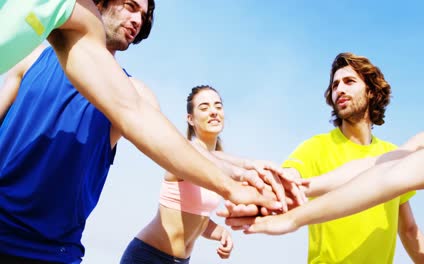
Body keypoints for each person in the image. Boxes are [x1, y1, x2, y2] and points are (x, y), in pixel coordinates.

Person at [0, 1, 283, 263]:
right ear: (101, 3)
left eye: (143, 16)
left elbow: (177, 146)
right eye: (130, 6)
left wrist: (237, 180)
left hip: (51, 252)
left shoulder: (137, 94)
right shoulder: (32, 57)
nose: (136, 20)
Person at [224, 28, 424, 262]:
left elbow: (408, 227)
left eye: (349, 81)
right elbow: (374, 170)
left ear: (371, 91)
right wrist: (270, 193)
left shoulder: (393, 151)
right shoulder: (317, 147)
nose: (339, 89)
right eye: (334, 85)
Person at [120, 86, 236, 263]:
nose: (213, 112)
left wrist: (221, 232)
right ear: (190, 119)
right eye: (204, 108)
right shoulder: (183, 153)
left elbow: (196, 216)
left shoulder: (218, 165)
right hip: (148, 257)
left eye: (218, 106)